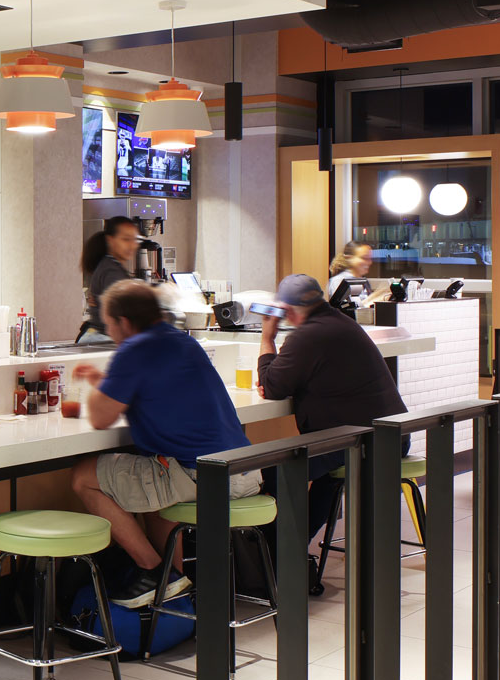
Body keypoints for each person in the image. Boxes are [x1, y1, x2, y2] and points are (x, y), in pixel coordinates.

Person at [69, 279, 250, 607]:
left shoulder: (134, 349)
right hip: (243, 469)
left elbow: (99, 418)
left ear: (123, 322)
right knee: (152, 476)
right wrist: (105, 382)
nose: (109, 330)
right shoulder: (183, 342)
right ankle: (172, 591)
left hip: (200, 474)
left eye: (109, 324)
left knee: (83, 477)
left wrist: (96, 385)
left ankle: (154, 570)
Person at [256, 273, 407, 562]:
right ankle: (288, 550)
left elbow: (272, 387)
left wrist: (267, 339)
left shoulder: (308, 335)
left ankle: (275, 555)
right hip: (384, 436)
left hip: (359, 441)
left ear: (286, 309)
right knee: (324, 474)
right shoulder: (340, 323)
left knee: (278, 470)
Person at [77, 216, 141, 342]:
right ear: (110, 240)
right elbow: (122, 311)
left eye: (134, 240)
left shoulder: (110, 266)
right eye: (125, 239)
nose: (131, 245)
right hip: (101, 339)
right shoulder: (111, 271)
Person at [326, 241, 386, 315]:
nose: (369, 262)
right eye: (364, 258)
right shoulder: (339, 281)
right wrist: (376, 297)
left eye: (370, 259)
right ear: (349, 258)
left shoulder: (364, 281)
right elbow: (348, 310)